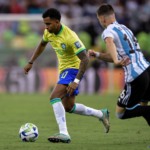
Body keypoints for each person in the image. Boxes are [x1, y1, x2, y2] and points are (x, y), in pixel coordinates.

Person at [24, 8, 110, 143]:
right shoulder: (48, 32)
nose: (46, 27)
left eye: (48, 24)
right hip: (64, 70)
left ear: (57, 22)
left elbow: (85, 59)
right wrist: (31, 61)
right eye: (45, 24)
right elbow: (42, 44)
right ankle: (101, 113)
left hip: (74, 69)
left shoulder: (70, 36)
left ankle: (64, 133)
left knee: (54, 97)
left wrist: (76, 81)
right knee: (69, 107)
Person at [88, 3, 150, 126]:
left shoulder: (108, 31)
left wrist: (116, 61)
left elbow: (109, 42)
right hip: (147, 70)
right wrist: (98, 55)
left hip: (136, 75)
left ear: (102, 19)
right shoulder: (125, 28)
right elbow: (118, 55)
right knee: (143, 106)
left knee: (121, 113)